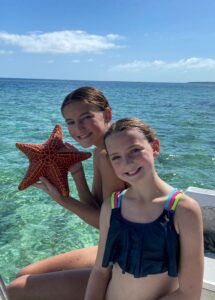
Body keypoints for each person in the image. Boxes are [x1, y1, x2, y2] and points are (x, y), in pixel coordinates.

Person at [7, 87, 126, 300]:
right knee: (24, 273)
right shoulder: (101, 150)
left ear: (107, 114)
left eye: (86, 118)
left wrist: (61, 199)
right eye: (70, 122)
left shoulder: (109, 155)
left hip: (129, 261)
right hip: (113, 246)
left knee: (16, 289)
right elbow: (97, 208)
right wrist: (77, 172)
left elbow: (105, 223)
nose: (78, 128)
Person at [84, 117, 204, 300]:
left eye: (134, 150)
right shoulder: (112, 205)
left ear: (155, 147)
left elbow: (189, 293)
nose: (126, 162)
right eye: (116, 157)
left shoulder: (184, 210)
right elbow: (100, 271)